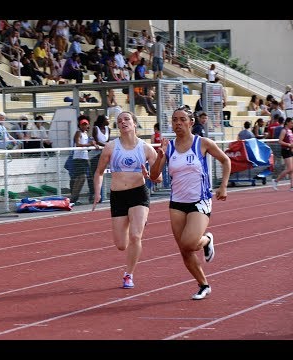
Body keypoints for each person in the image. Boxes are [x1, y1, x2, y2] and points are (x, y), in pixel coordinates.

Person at [149, 105, 231, 300]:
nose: (178, 123)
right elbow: (153, 176)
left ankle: (207, 240)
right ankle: (204, 285)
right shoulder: (168, 148)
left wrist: (223, 186)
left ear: (191, 122)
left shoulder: (202, 143)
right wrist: (160, 156)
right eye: (175, 120)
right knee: (184, 250)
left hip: (200, 200)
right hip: (177, 202)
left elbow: (226, 160)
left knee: (190, 242)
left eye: (182, 119)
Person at [92, 111, 161, 289]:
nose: (123, 122)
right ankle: (134, 221)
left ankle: (128, 275)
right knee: (121, 245)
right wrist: (97, 193)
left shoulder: (146, 149)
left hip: (139, 193)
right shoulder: (110, 147)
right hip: (118, 196)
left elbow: (159, 177)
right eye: (120, 121)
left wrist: (150, 175)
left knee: (136, 236)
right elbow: (99, 172)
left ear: (134, 123)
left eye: (127, 119)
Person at [70, 116, 98, 205]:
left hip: (85, 158)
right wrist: (89, 144)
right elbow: (78, 144)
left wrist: (93, 145)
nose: (84, 126)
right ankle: (73, 198)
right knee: (80, 178)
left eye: (86, 124)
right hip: (78, 158)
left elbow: (86, 147)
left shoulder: (86, 134)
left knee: (83, 178)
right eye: (83, 124)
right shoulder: (78, 133)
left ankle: (74, 198)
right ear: (80, 125)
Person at [89, 114, 110, 202]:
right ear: (103, 120)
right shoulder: (96, 128)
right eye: (107, 119)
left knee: (103, 174)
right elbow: (96, 140)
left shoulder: (108, 129)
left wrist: (106, 146)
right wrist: (106, 145)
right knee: (95, 174)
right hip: (95, 155)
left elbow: (107, 140)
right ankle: (94, 194)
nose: (108, 121)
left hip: (104, 153)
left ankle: (101, 195)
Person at [271, 117, 293, 191]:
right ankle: (276, 180)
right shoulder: (284, 130)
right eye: (291, 123)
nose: (292, 124)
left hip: (290, 150)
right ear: (287, 123)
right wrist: (289, 145)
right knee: (290, 169)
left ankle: (292, 186)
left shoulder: (290, 131)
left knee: (291, 170)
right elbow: (280, 141)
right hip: (285, 150)